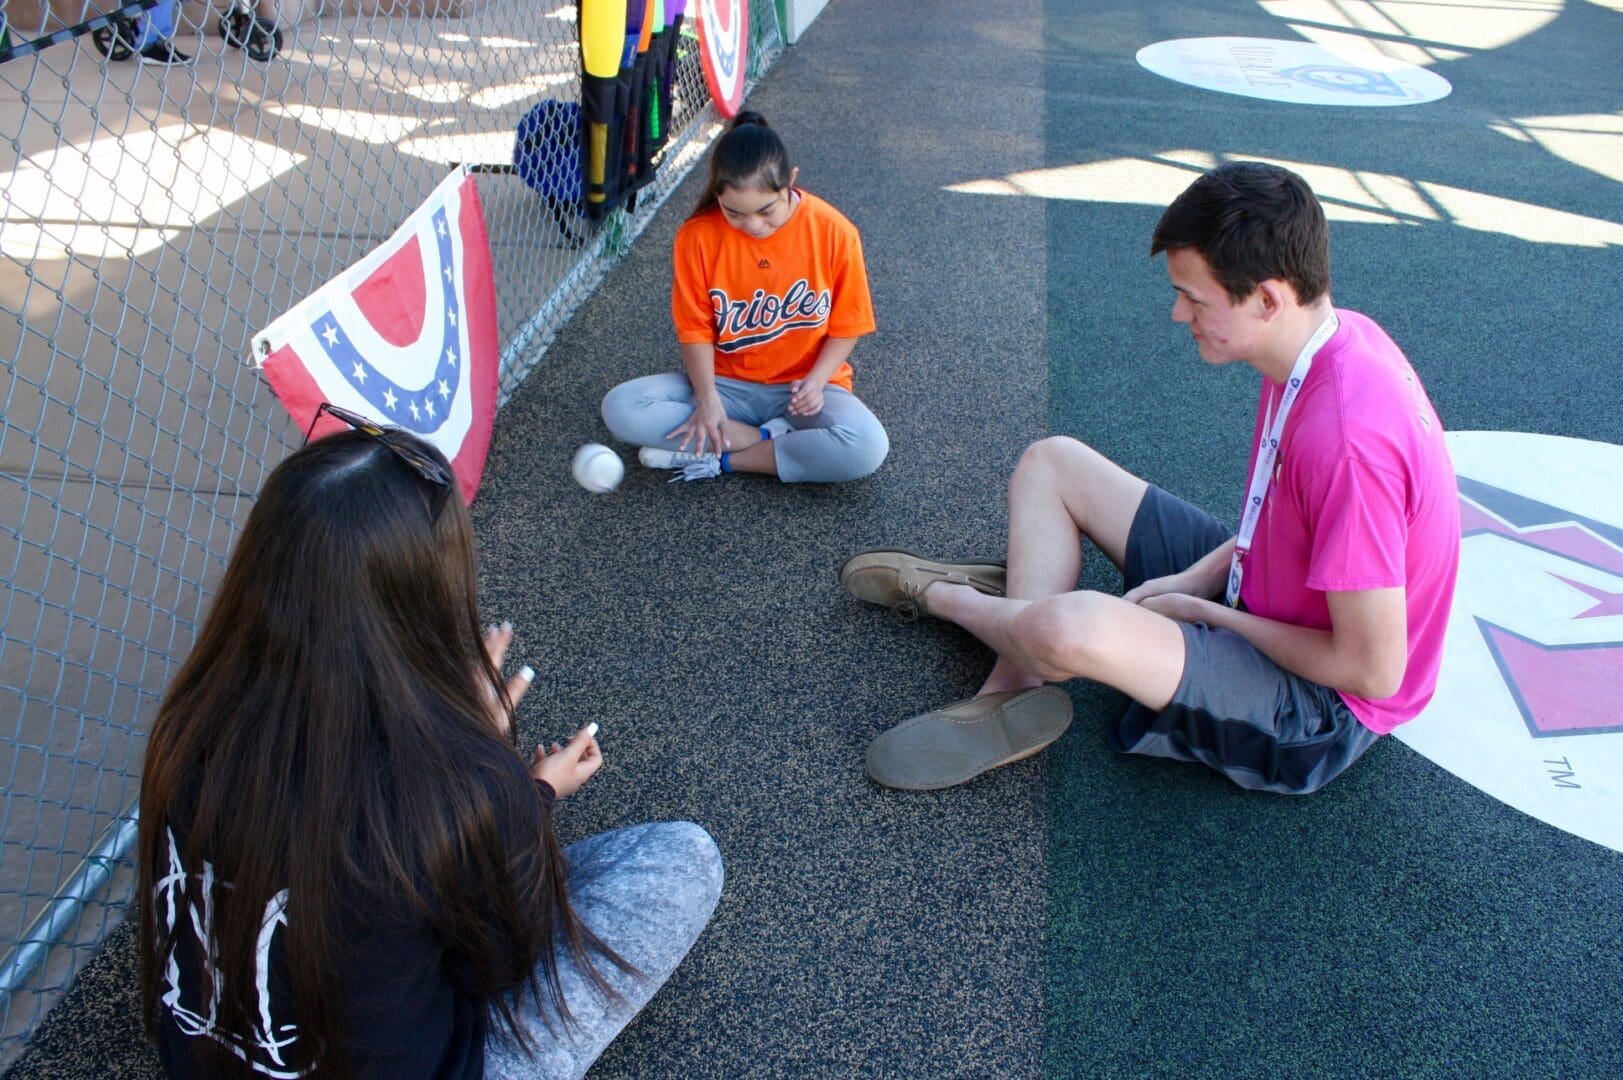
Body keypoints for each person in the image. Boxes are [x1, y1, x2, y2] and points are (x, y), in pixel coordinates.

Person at [137, 406, 723, 1078]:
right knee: (682, 860)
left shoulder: (190, 719)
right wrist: (512, 781)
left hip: (210, 1056)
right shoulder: (458, 782)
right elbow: (501, 964)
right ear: (423, 593)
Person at [840, 162, 1460, 795]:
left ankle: (952, 599)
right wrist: (1196, 578)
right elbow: (1278, 514)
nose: (1176, 312)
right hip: (1265, 587)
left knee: (1068, 628)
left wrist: (1200, 612)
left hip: (1319, 707)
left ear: (1268, 299)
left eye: (1194, 297)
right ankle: (1016, 680)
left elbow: (1373, 671)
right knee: (1052, 462)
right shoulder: (1335, 339)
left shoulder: (1346, 441)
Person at [600, 111, 889, 483]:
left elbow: (848, 324)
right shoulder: (697, 237)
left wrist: (817, 382)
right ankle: (768, 438)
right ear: (717, 196)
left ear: (791, 181)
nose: (752, 225)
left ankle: (724, 459)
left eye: (767, 210)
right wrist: (707, 400)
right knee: (622, 407)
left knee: (866, 447)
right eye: (733, 212)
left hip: (803, 389)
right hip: (726, 386)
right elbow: (695, 331)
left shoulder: (834, 231)